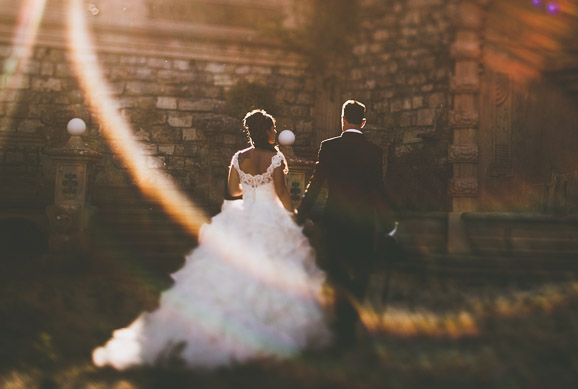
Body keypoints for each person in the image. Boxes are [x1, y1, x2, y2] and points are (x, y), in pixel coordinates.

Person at [92, 110, 330, 369]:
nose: (275, 132)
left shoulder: (239, 157)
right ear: (266, 131)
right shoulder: (275, 157)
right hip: (270, 218)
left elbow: (232, 191)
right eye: (273, 128)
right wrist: (291, 213)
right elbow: (282, 191)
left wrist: (250, 186)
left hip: (244, 216)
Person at [296, 99, 393, 349]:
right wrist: (388, 223)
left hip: (336, 221)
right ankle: (350, 320)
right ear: (363, 121)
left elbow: (316, 184)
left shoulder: (328, 147)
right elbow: (377, 189)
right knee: (361, 270)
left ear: (342, 119)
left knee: (337, 272)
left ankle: (343, 327)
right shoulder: (374, 151)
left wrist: (300, 213)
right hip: (363, 222)